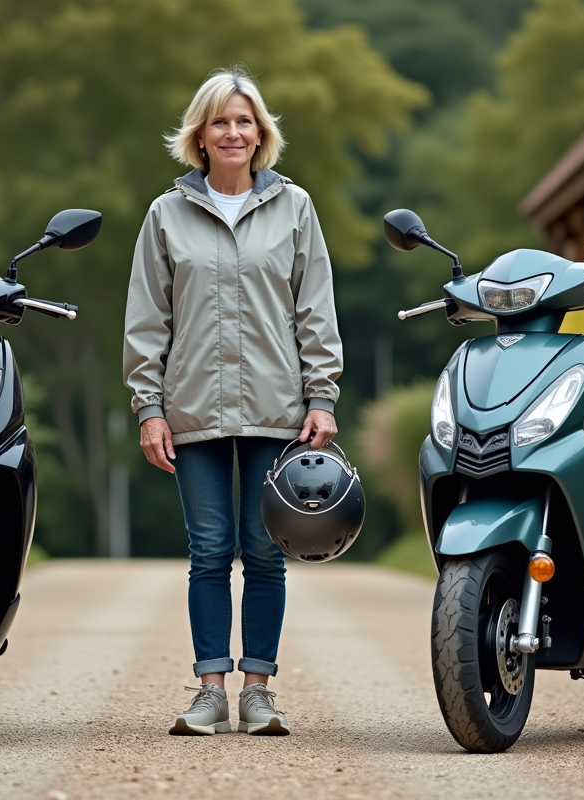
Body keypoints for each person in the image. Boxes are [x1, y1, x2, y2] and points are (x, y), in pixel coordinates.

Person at [122, 66, 343, 736]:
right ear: (200, 134)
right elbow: (146, 320)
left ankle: (259, 693)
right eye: (220, 120)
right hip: (193, 411)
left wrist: (322, 395)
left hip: (279, 411)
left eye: (244, 121)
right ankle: (211, 691)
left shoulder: (294, 208)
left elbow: (315, 309)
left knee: (265, 549)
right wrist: (149, 407)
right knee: (211, 549)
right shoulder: (166, 215)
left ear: (261, 133)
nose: (233, 132)